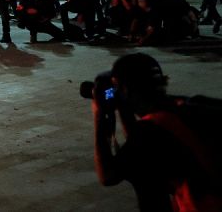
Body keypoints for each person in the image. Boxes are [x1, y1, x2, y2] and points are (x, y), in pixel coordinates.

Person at [92, 53, 222, 211]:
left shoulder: (150, 131)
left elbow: (108, 176)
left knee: (145, 178)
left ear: (125, 89)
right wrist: (125, 110)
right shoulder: (191, 104)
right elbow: (140, 146)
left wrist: (99, 117)